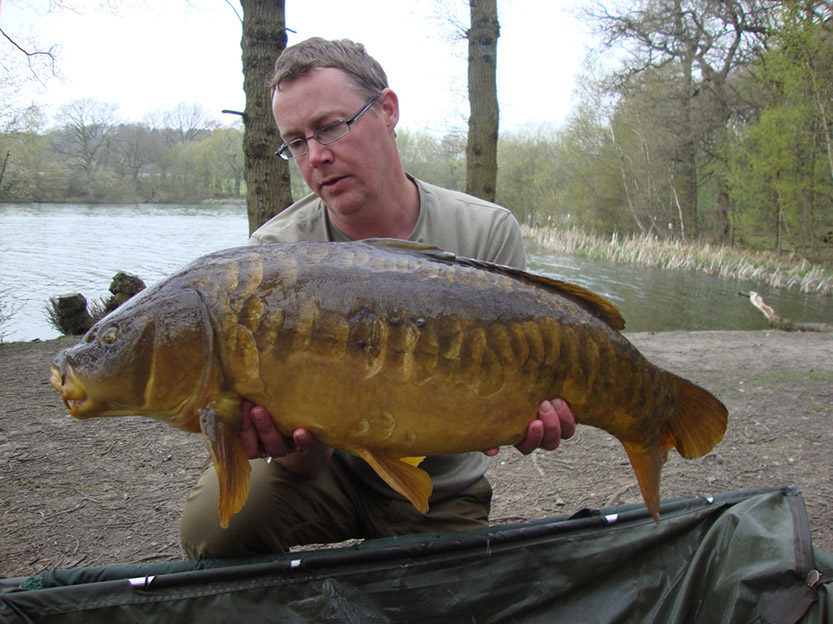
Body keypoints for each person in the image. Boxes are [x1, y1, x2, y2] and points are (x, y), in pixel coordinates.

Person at [180, 37, 576, 559]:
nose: (316, 156)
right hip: (322, 472)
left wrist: (528, 415)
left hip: (441, 484)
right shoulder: (272, 257)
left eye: (330, 127)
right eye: (296, 142)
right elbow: (299, 457)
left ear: (387, 111)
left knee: (448, 601)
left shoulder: (484, 232)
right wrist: (288, 447)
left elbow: (516, 392)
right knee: (216, 527)